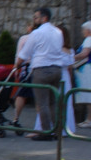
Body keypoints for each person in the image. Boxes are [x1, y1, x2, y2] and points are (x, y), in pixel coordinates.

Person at [16, 8, 65, 140]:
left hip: (41, 69)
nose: (34, 20)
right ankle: (58, 130)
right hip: (57, 69)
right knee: (53, 102)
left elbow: (25, 53)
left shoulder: (36, 33)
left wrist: (17, 65)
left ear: (44, 18)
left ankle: (46, 132)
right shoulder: (58, 32)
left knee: (42, 103)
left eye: (36, 17)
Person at [74, 21, 91, 128]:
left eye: (83, 29)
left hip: (86, 69)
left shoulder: (88, 40)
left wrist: (71, 57)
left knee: (88, 96)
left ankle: (89, 120)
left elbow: (84, 54)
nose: (82, 32)